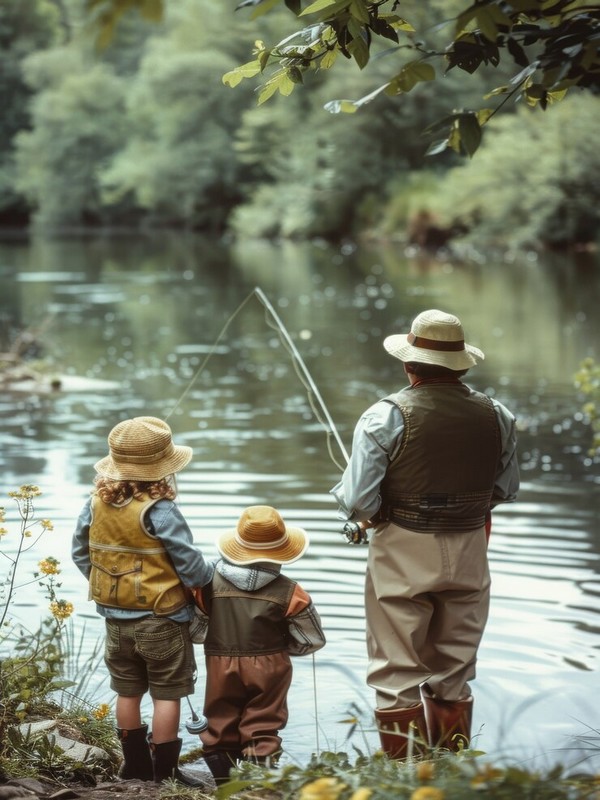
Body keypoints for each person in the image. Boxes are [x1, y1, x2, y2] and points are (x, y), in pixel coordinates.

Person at [331, 309, 519, 758]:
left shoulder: (383, 417)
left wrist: (364, 509)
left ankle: (405, 780)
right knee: (454, 670)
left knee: (396, 673)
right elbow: (504, 489)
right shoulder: (500, 415)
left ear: (408, 364)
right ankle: (452, 773)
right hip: (472, 546)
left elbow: (358, 501)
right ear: (461, 365)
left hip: (402, 548)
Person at [72, 416, 214, 786]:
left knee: (127, 690)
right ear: (162, 469)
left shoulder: (94, 503)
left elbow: (79, 553)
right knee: (168, 694)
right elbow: (193, 570)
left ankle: (133, 765)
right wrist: (210, 577)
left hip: (115, 622)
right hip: (162, 619)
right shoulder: (161, 510)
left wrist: (110, 586)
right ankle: (164, 774)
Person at [191, 505, 326, 784]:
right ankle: (257, 784)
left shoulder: (206, 585)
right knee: (264, 720)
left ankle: (223, 781)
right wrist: (284, 648)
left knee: (219, 715)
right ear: (281, 552)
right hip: (270, 663)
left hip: (219, 661)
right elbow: (312, 640)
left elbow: (196, 631)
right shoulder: (291, 592)